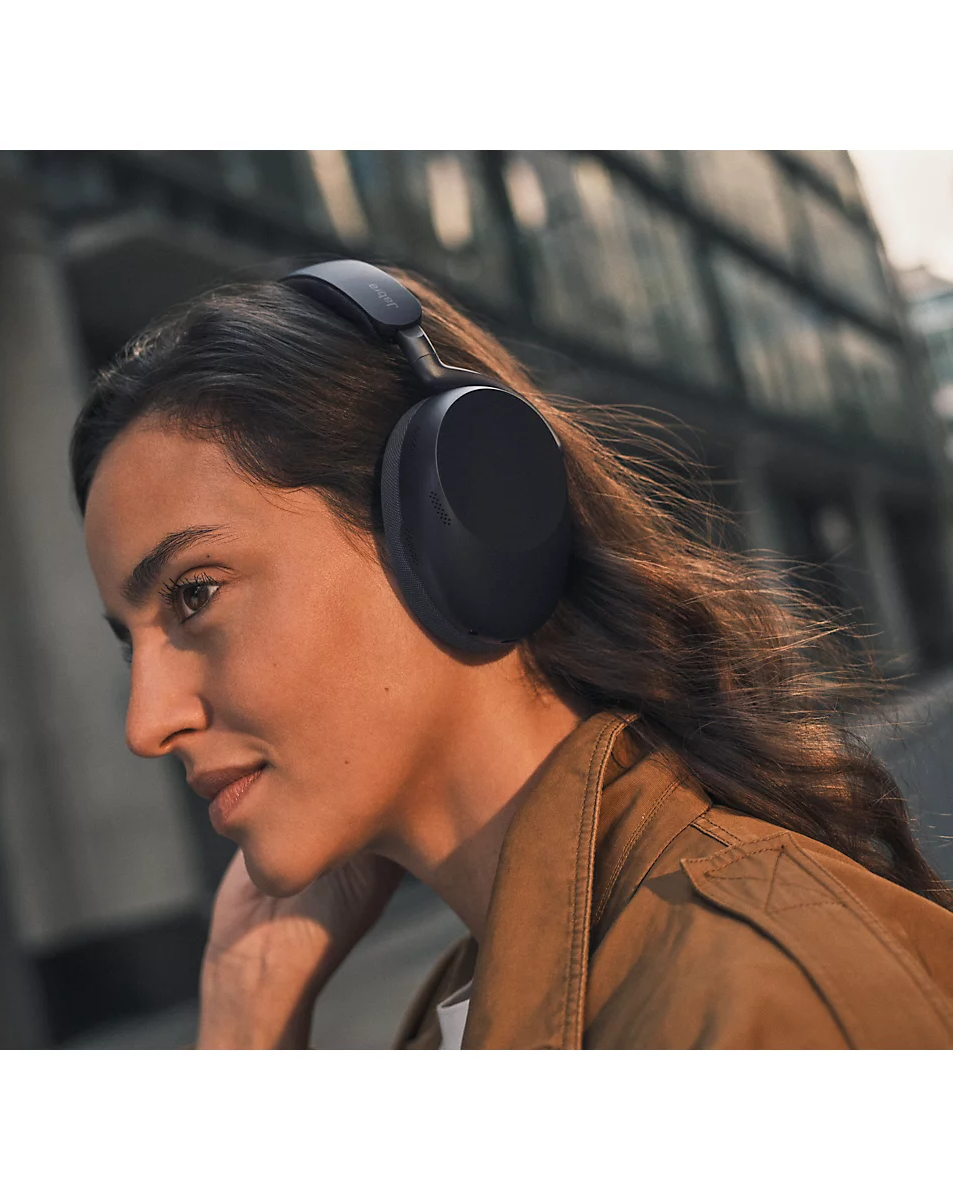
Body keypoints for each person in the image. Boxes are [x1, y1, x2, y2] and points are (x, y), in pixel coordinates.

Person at [71, 260, 953, 1049]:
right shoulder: (473, 1008)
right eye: (131, 644)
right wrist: (243, 1021)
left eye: (196, 594)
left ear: (454, 520)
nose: (148, 723)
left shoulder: (760, 1004)